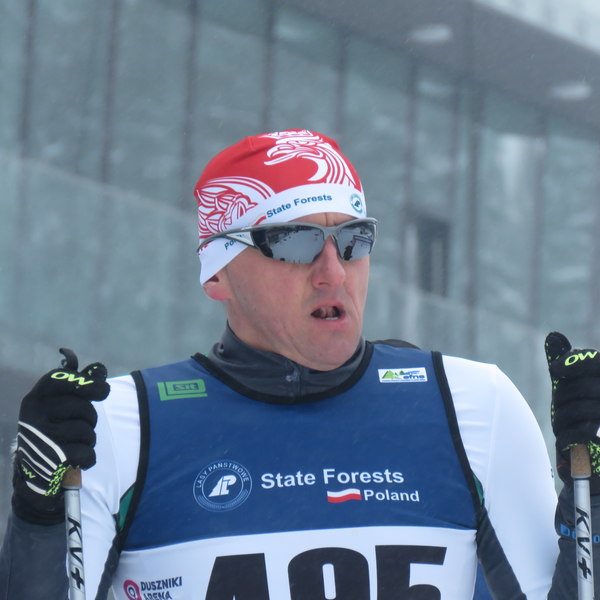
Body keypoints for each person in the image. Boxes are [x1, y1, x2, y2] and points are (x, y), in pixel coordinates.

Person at [0, 128, 598, 599]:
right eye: (294, 242)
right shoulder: (118, 422)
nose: (333, 273)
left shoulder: (472, 404)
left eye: (354, 241)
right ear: (218, 272)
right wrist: (38, 514)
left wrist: (594, 490)